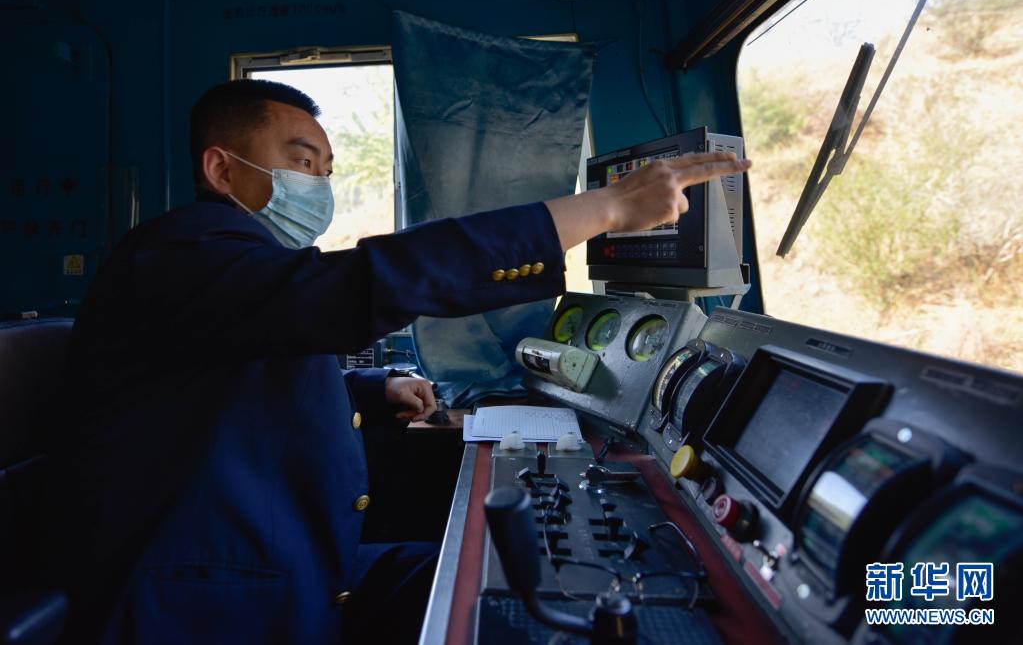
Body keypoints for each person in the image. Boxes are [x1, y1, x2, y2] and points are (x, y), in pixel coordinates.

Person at [41, 79, 750, 644]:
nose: (317, 184)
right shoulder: (179, 253)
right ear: (221, 168)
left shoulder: (235, 273)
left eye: (325, 169)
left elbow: (230, 376)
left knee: (481, 571)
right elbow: (354, 288)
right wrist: (602, 209)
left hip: (286, 558)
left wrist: (372, 388)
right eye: (301, 162)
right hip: (203, 595)